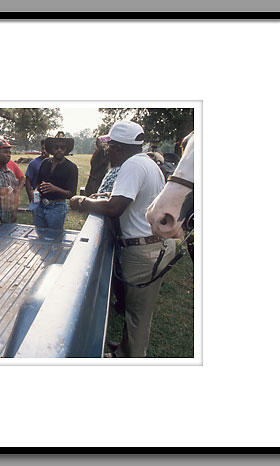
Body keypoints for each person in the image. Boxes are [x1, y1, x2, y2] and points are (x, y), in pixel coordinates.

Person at [69, 121, 176, 358]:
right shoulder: (145, 162)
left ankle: (130, 358)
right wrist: (103, 196)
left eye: (108, 147)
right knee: (135, 309)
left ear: (117, 148)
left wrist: (82, 202)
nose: (105, 151)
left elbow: (115, 207)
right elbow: (127, 198)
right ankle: (127, 347)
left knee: (137, 314)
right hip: (152, 247)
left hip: (143, 250)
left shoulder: (132, 166)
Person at [32, 134, 78, 230]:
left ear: (66, 150)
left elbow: (72, 194)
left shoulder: (71, 167)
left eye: (62, 147)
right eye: (56, 147)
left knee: (54, 239)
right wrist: (36, 191)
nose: (59, 150)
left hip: (57, 208)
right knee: (39, 237)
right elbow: (37, 183)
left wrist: (55, 189)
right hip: (40, 206)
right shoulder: (45, 163)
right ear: (51, 149)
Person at [25, 139, 49, 207]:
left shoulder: (53, 163)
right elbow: (27, 181)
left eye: (46, 149)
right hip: (37, 196)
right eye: (43, 148)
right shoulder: (33, 163)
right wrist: (30, 196)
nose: (44, 151)